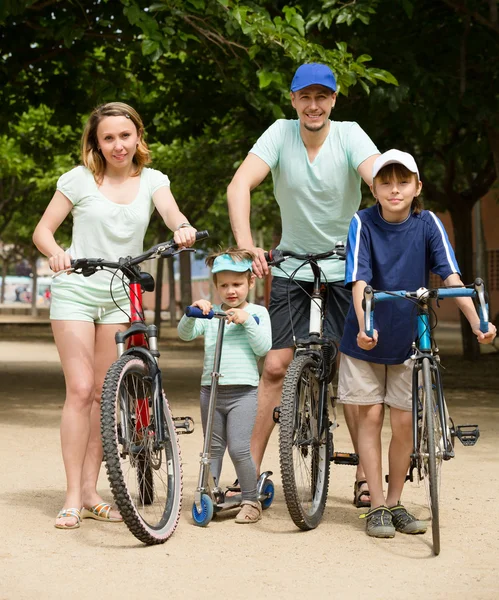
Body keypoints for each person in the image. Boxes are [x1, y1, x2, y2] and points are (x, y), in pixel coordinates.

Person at [32, 102, 197, 530]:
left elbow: (172, 214)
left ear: (138, 137)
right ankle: (71, 496)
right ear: (97, 143)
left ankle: (91, 492)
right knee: (81, 388)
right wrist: (57, 254)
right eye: (108, 138)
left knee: (107, 395)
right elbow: (43, 232)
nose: (118, 145)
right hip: (76, 288)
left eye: (125, 136)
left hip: (120, 291)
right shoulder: (79, 179)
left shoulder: (154, 181)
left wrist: (182, 228)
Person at [227, 62, 380, 507]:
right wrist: (245, 244)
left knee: (351, 373)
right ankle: (247, 476)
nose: (313, 106)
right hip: (292, 267)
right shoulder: (279, 133)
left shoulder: (350, 135)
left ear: (333, 100)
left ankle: (366, 479)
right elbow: (240, 185)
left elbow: (377, 180)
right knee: (275, 365)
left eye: (322, 97)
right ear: (293, 100)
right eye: (304, 97)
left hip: (344, 269)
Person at [337, 149, 497, 538]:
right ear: (373, 188)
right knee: (370, 418)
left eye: (403, 181)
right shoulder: (362, 222)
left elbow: (452, 278)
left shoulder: (427, 225)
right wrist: (365, 325)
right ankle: (375, 506)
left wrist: (479, 323)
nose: (395, 190)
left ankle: (395, 502)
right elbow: (359, 281)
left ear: (417, 187)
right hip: (366, 339)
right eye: (386, 182)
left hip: (410, 336)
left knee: (405, 422)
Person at [178, 249, 272, 523]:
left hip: (243, 392)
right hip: (211, 389)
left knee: (239, 447)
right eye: (224, 285)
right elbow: (185, 335)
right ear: (215, 285)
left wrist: (247, 323)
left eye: (237, 284)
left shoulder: (257, 313)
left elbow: (263, 347)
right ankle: (211, 490)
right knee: (212, 447)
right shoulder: (212, 314)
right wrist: (194, 313)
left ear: (250, 283)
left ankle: (250, 499)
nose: (231, 291)